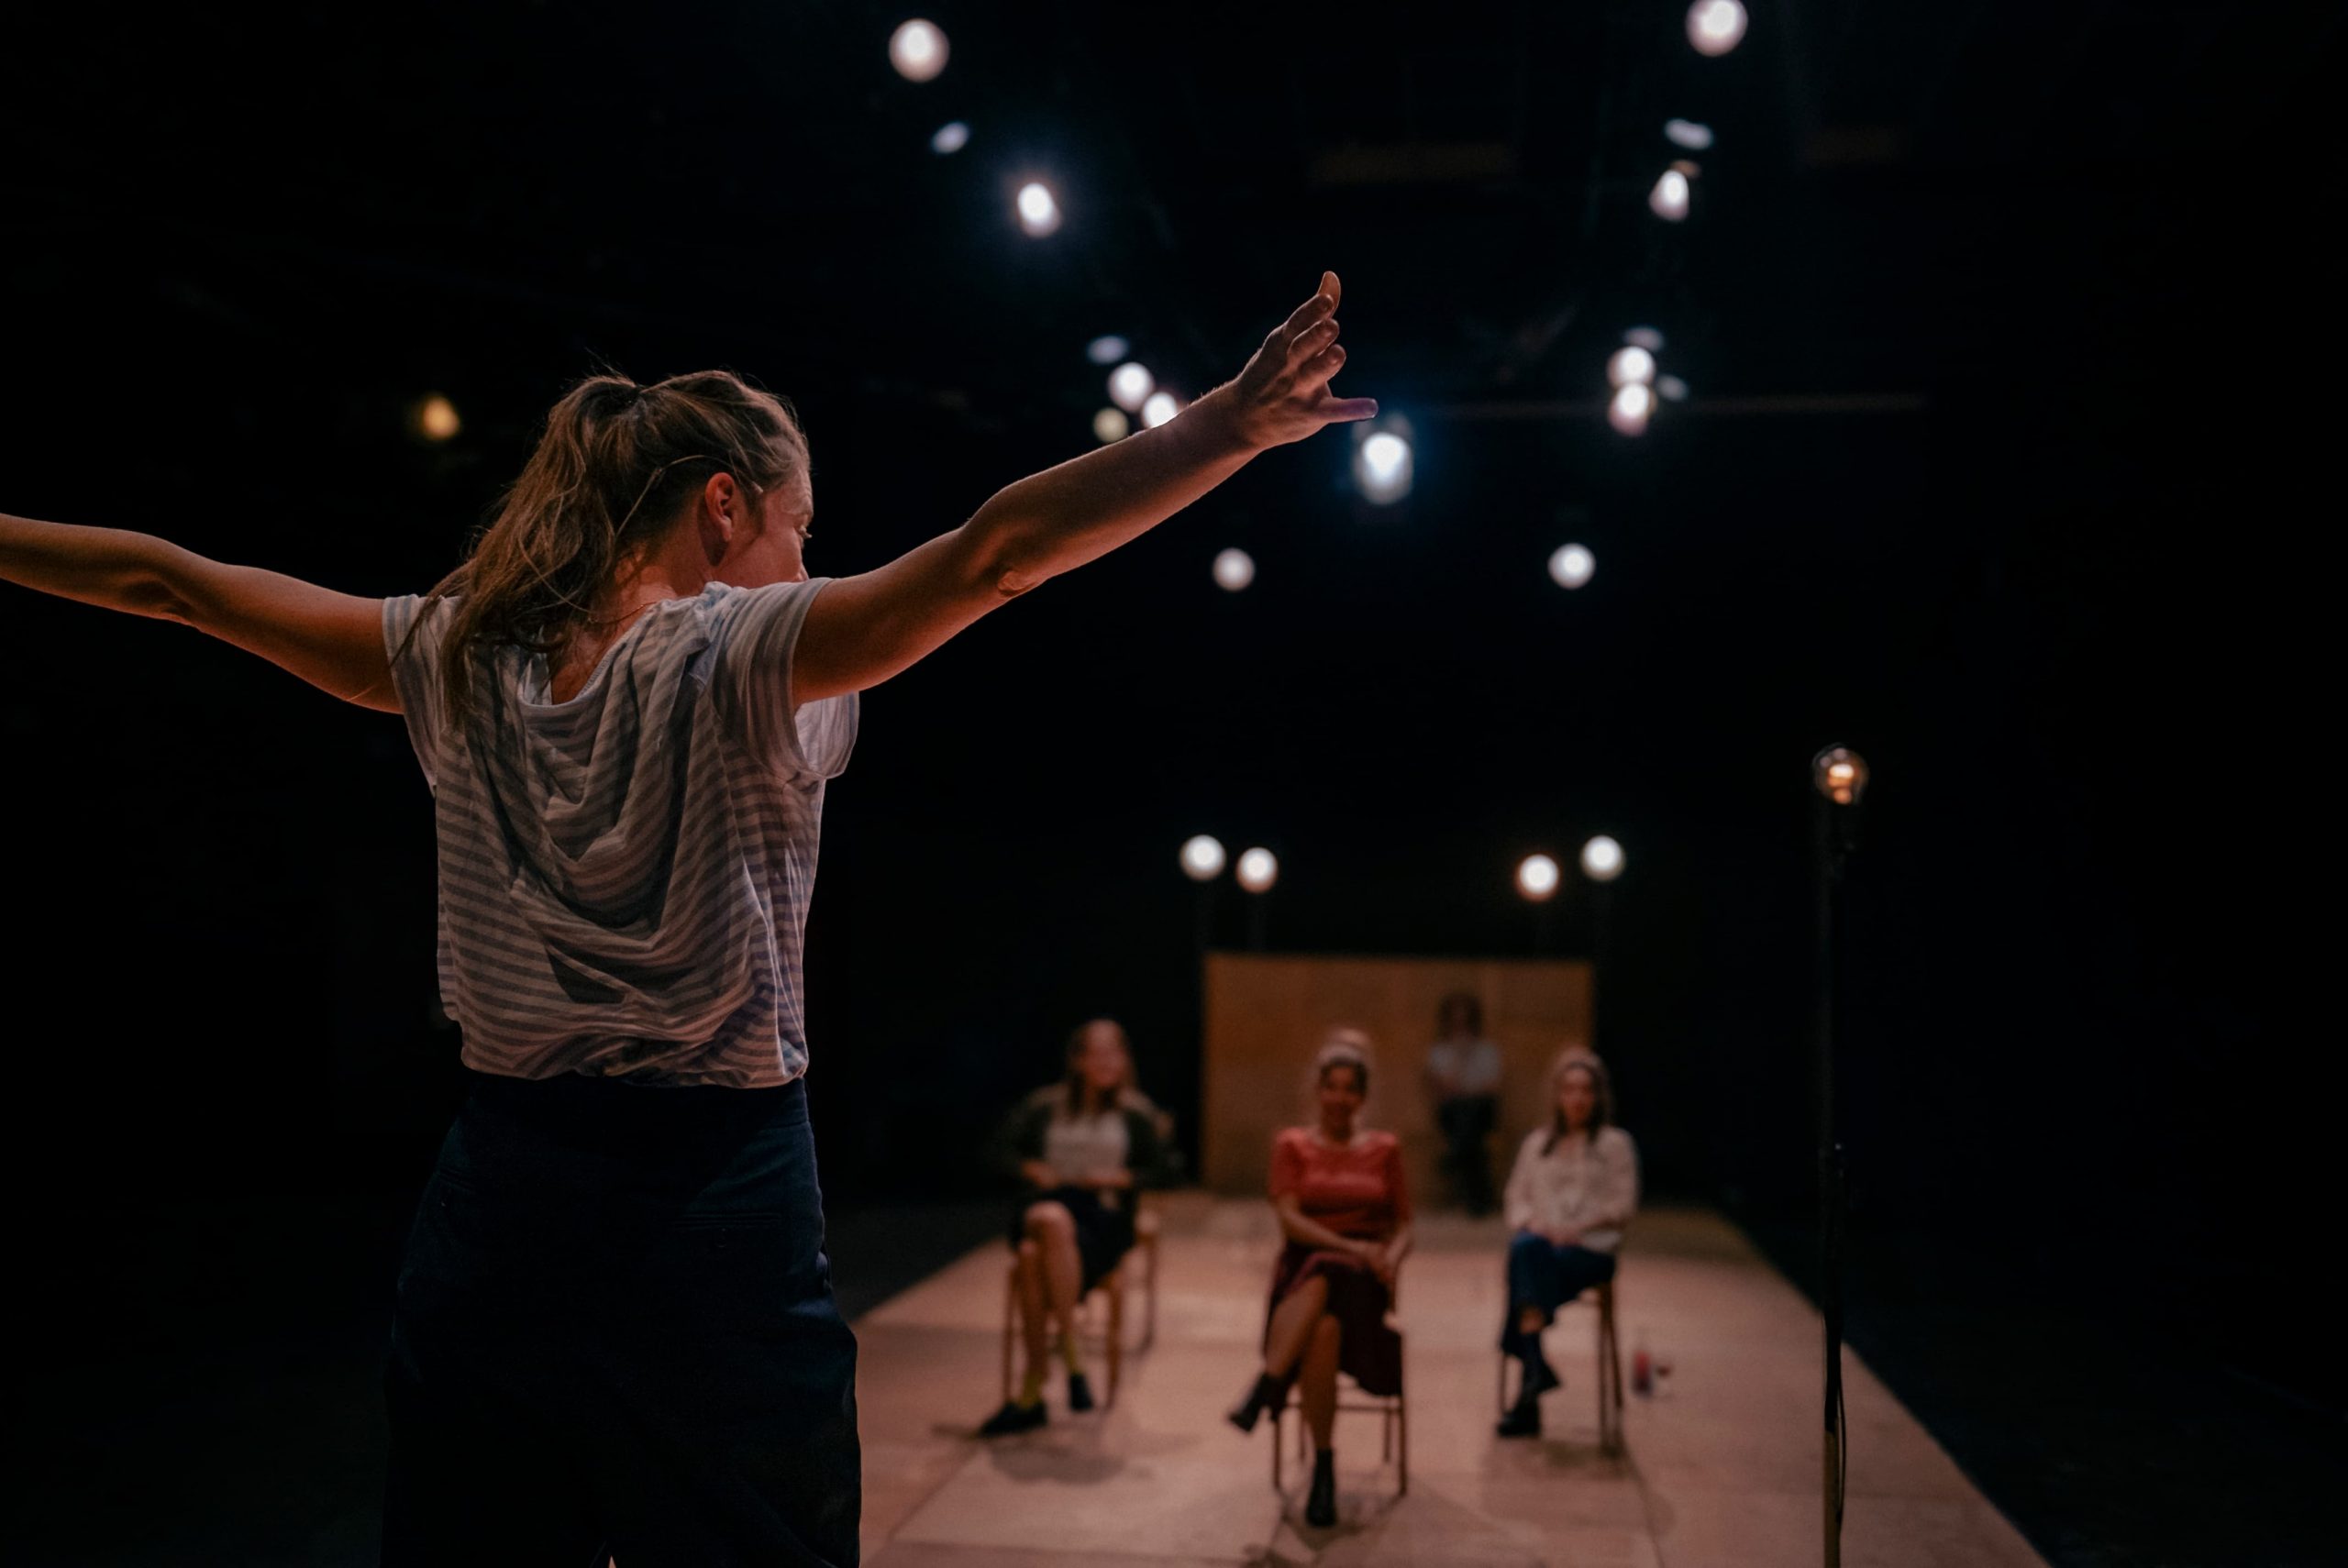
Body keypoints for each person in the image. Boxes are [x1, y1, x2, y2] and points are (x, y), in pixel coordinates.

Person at [0, 274, 1374, 1565]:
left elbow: (167, 579)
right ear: (725, 507)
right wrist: (1229, 427)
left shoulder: (455, 648)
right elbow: (1003, 550)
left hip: (496, 1203)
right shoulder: (741, 651)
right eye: (801, 526)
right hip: (715, 1205)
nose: (805, 556)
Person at [1226, 1031, 1412, 1529]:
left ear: (1363, 1097)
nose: (1339, 1099)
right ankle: (1325, 1467)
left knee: (1330, 1279)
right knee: (1323, 1328)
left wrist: (1389, 1258)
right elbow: (1288, 1220)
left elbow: (1405, 1226)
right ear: (1317, 1090)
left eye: (1350, 1089)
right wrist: (1353, 1247)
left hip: (1365, 1285)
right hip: (1305, 1276)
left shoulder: (1385, 1148)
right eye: (1331, 1087)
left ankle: (1267, 1387)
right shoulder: (1291, 1145)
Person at [979, 1018, 1173, 1434]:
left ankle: (1032, 1392)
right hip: (1047, 1207)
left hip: (1100, 1225)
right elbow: (996, 1153)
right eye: (1097, 1051)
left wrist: (1122, 1179)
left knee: (1032, 1257)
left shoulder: (1135, 1112)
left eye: (1114, 1051)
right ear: (1079, 1059)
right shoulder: (1045, 1105)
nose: (1106, 1060)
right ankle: (1072, 1362)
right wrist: (1032, 1168)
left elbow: (1166, 1170)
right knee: (1049, 1218)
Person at [1496, 1050, 1639, 1439]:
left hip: (1589, 1251)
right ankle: (1533, 1379)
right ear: (1557, 1095)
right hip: (1543, 1247)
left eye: (1586, 1090)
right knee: (1526, 1249)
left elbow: (1622, 1206)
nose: (1577, 1098)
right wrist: (1539, 1224)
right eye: (1569, 1089)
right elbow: (1516, 1198)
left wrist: (1577, 1228)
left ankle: (1532, 1380)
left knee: (1522, 1266)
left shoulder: (1615, 1145)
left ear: (1598, 1096)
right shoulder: (1537, 1143)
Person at [1423, 990, 1502, 1213]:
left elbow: (1492, 1086)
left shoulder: (1488, 1050)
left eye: (1465, 1021)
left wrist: (1466, 1089)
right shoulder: (1438, 1052)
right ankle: (1478, 1200)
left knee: (1472, 1114)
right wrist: (1460, 1055)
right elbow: (1445, 1087)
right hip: (1451, 1112)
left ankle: (1454, 1154)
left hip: (1482, 1110)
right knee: (1468, 1132)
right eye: (1456, 1021)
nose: (1461, 1026)